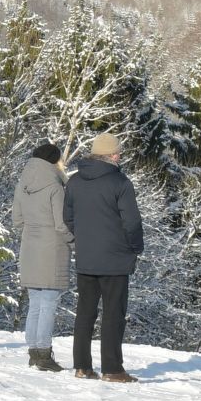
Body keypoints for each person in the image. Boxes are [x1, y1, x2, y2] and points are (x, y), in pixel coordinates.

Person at [63, 131, 144, 382]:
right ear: (111, 155)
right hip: (115, 258)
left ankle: (82, 366)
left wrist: (84, 239)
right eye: (117, 152)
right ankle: (112, 368)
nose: (120, 156)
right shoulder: (120, 183)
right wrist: (135, 247)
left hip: (87, 257)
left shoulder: (74, 181)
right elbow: (132, 222)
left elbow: (68, 217)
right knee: (113, 314)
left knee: (85, 311)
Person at [12, 142, 70, 372]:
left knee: (35, 302)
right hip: (52, 249)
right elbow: (61, 223)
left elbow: (17, 220)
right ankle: (44, 353)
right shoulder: (55, 186)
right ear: (54, 161)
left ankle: (34, 352)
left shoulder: (23, 183)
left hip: (29, 247)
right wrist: (74, 242)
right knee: (48, 303)